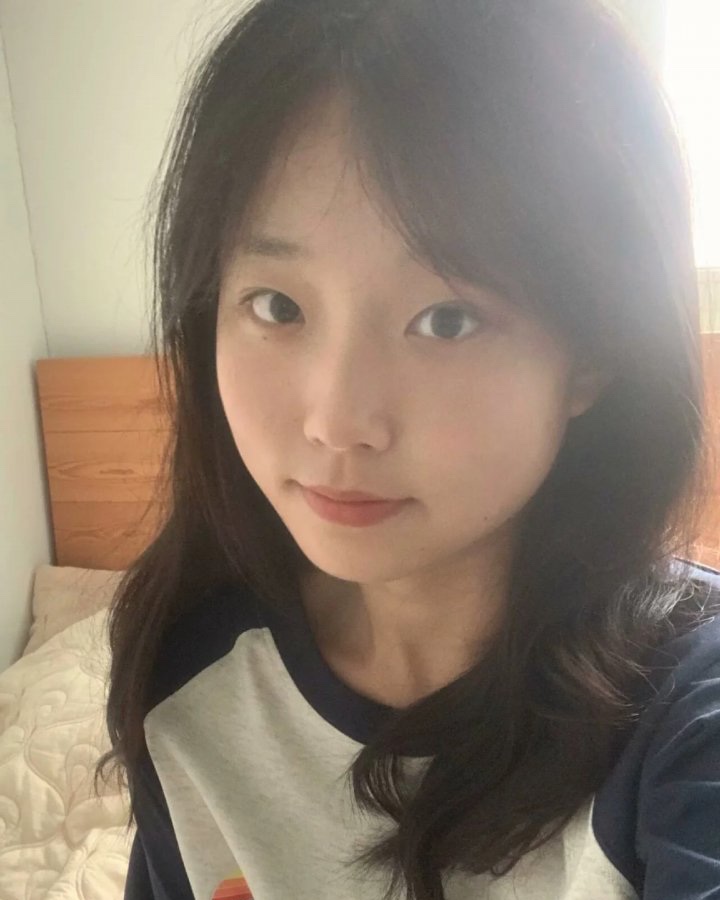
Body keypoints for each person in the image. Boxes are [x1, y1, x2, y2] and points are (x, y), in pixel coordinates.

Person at [94, 0, 720, 898]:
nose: (337, 420)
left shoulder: (685, 714)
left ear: (591, 355)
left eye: (447, 319)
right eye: (278, 306)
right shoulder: (190, 671)